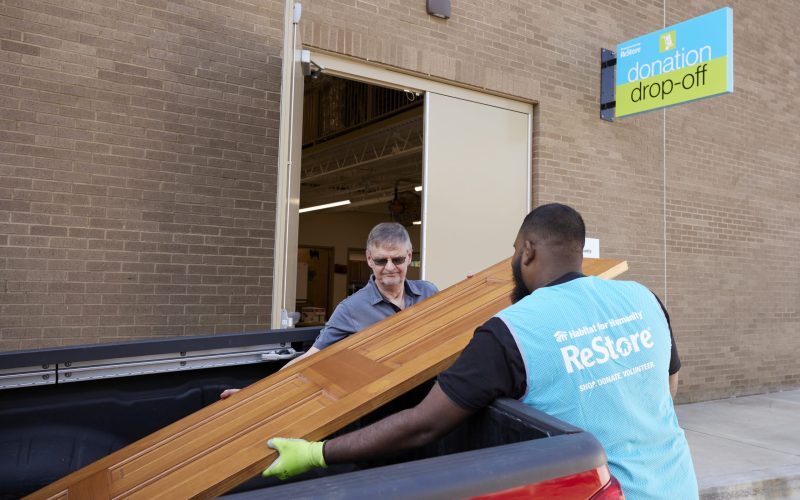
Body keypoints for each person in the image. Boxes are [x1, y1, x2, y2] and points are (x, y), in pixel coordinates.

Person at [261, 203, 698, 499]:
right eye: (381, 262)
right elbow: (667, 386)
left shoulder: (510, 332)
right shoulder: (644, 298)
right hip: (679, 485)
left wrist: (316, 453)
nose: (390, 268)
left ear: (527, 251)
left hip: (601, 491)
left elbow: (422, 426)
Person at [220, 222, 438, 398]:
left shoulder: (429, 292)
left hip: (431, 392)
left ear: (409, 256)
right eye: (381, 260)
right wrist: (254, 394)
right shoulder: (350, 309)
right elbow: (310, 358)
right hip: (384, 402)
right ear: (369, 260)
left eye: (397, 259)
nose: (390, 268)